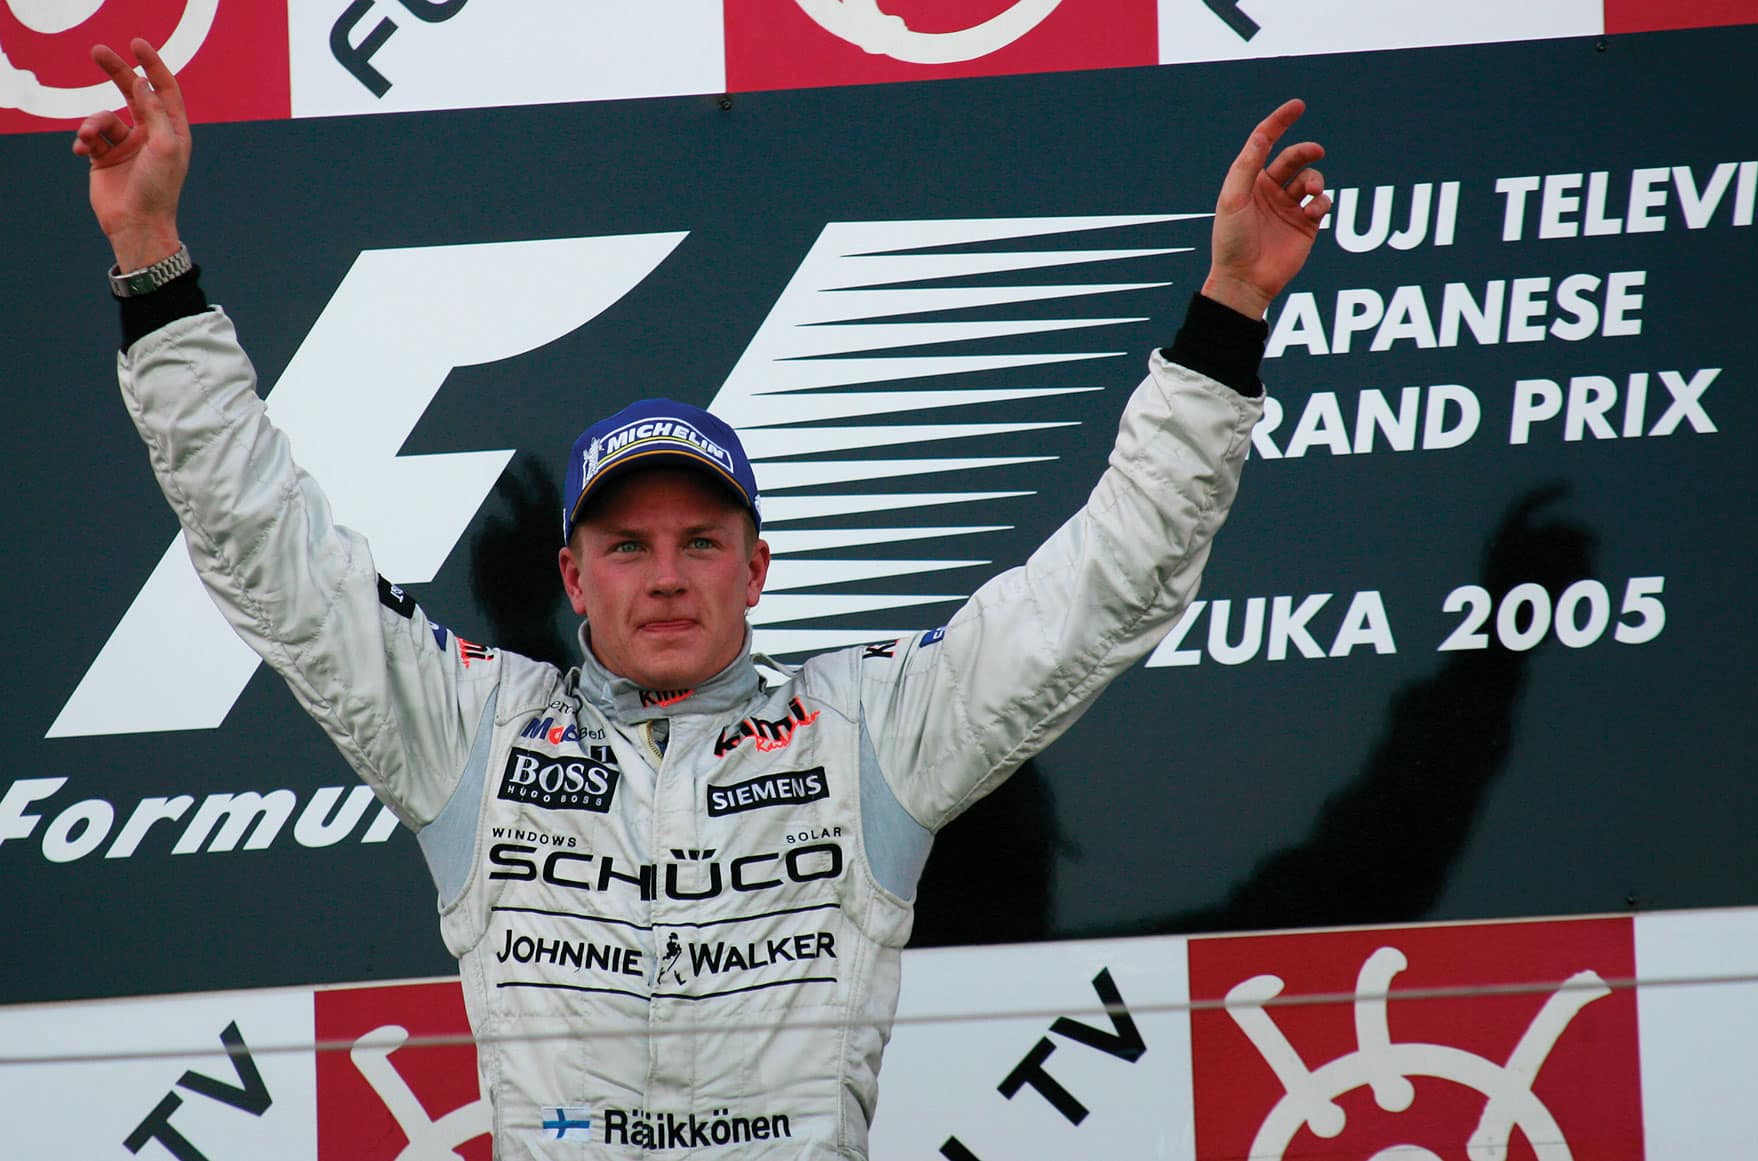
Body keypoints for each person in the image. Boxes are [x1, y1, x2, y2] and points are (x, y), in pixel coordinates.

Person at [76, 38, 1330, 1160]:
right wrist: (150, 261)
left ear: (757, 567)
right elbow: (263, 546)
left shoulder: (867, 731)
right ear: (572, 577)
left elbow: (1110, 584)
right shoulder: (474, 732)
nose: (665, 573)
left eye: (698, 539)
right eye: (625, 546)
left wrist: (1227, 313)